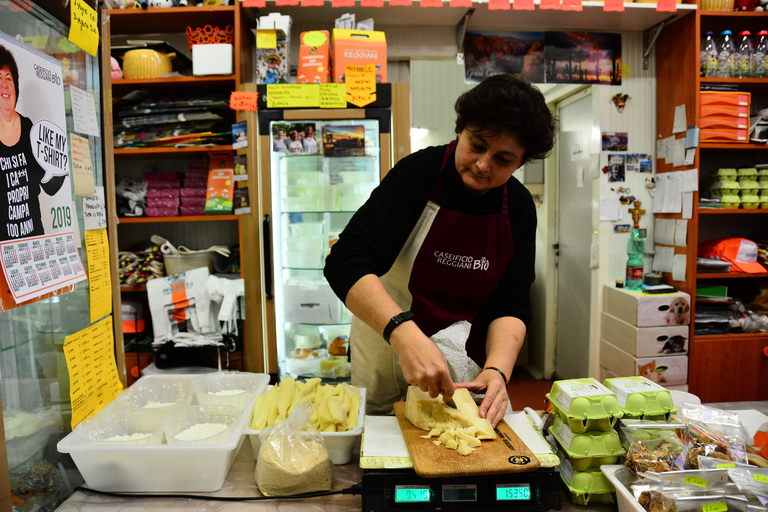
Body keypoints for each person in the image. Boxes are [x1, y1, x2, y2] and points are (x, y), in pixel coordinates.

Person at [324, 74, 557, 427]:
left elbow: (511, 301)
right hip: (389, 345)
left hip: (465, 362)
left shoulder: (520, 206)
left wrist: (498, 370)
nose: (483, 165)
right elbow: (345, 259)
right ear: (460, 130)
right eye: (477, 145)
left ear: (521, 162)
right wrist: (404, 335)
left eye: (503, 159)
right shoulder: (419, 174)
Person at [0, 44, 67, 242]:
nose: (4, 85)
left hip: (34, 243)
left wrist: (59, 164)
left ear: (15, 86)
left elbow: (51, 188)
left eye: (8, 79)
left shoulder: (31, 129)